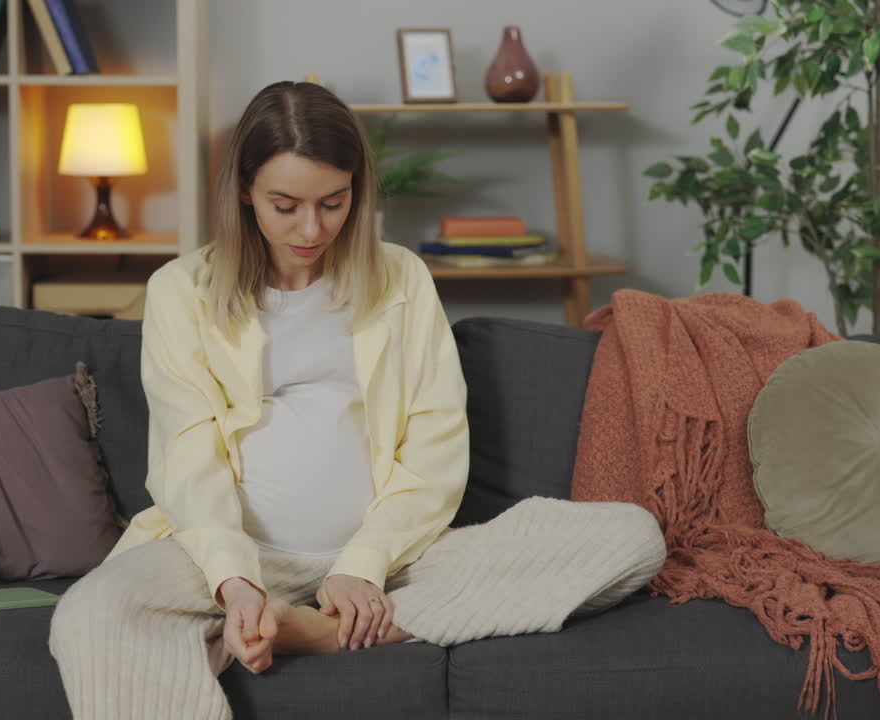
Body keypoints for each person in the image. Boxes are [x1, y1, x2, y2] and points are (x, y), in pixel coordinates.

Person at [48, 81, 666, 720]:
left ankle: (326, 629)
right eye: (285, 205)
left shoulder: (402, 279)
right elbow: (186, 456)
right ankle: (304, 623)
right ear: (244, 191)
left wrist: (362, 568)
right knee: (92, 612)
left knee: (632, 537)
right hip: (226, 558)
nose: (311, 229)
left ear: (356, 192)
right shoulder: (182, 291)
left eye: (333, 203)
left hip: (393, 563)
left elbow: (435, 449)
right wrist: (235, 586)